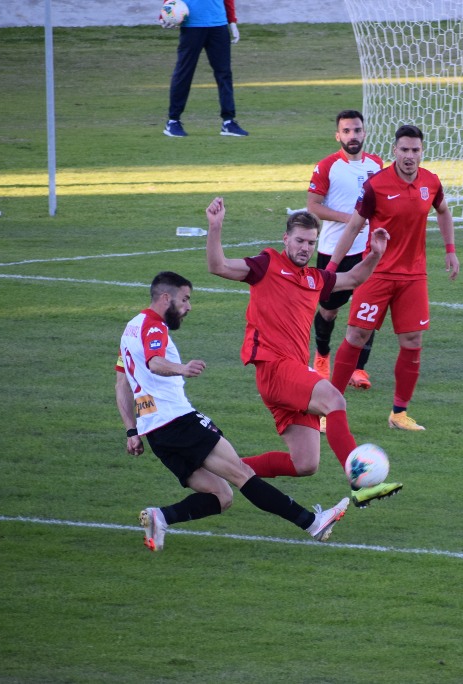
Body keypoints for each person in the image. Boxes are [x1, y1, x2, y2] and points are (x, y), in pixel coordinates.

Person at [116, 271, 348, 551]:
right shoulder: (154, 327)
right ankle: (313, 523)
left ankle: (160, 517)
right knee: (242, 473)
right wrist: (182, 368)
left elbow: (122, 383)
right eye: (185, 299)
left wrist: (131, 430)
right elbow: (154, 362)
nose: (189, 307)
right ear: (165, 298)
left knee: (221, 495)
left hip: (155, 432)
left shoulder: (130, 328)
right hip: (177, 421)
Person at [204, 198, 403, 508]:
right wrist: (215, 227)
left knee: (305, 463)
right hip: (274, 368)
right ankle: (360, 484)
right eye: (299, 241)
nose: (305, 248)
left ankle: (215, 468)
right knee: (335, 400)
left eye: (311, 242)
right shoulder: (266, 265)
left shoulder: (315, 279)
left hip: (292, 374)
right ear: (286, 239)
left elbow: (353, 278)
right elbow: (218, 266)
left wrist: (375, 254)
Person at [326, 124, 459, 432]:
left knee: (413, 341)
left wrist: (450, 250)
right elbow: (354, 226)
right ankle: (326, 410)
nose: (409, 156)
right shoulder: (377, 185)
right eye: (404, 150)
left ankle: (399, 414)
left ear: (422, 152)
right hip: (376, 274)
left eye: (415, 150)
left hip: (414, 277)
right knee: (356, 336)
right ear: (394, 151)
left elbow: (443, 211)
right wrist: (332, 268)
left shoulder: (431, 182)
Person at [307, 110, 385, 391]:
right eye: (347, 131)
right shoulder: (327, 166)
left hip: (368, 251)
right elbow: (313, 206)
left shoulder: (377, 164)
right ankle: (322, 354)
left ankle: (359, 369)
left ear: (365, 133)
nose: (353, 136)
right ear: (338, 135)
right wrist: (351, 219)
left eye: (357, 130)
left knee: (367, 309)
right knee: (329, 311)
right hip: (334, 251)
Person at [163, 0, 248, 138]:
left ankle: (228, 122)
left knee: (224, 74)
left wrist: (232, 21)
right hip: (191, 26)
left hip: (218, 25)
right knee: (184, 73)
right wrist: (166, 13)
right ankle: (173, 121)